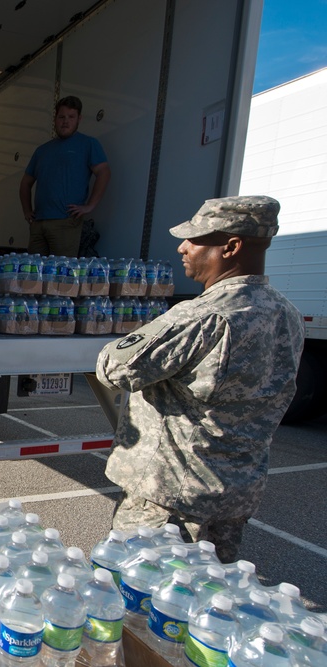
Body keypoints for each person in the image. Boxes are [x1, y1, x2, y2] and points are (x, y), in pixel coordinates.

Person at [95, 196, 304, 562]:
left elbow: (115, 368)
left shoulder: (202, 317)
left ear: (231, 247)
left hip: (171, 501)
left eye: (195, 239)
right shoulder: (288, 314)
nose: (183, 247)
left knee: (140, 592)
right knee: (209, 589)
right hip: (233, 498)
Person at [19, 95, 111, 257]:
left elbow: (104, 172)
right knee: (34, 271)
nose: (65, 121)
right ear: (55, 119)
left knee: (61, 270)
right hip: (38, 223)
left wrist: (89, 206)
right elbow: (26, 182)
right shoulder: (42, 150)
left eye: (71, 117)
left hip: (65, 222)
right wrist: (27, 211)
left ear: (79, 119)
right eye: (61, 117)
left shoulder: (88, 144)